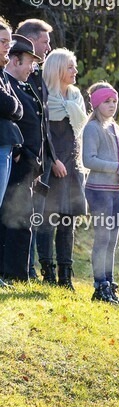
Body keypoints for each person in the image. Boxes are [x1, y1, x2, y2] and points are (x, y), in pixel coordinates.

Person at [81, 82, 119, 306]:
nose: (112, 105)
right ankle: (100, 286)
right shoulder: (92, 128)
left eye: (114, 101)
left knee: (112, 240)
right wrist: (118, 168)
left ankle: (109, 283)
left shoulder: (115, 128)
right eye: (107, 101)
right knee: (103, 238)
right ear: (97, 103)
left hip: (116, 191)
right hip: (98, 191)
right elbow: (88, 160)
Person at [0, 35, 51, 283]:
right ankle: (10, 272)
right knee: (12, 219)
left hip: (28, 165)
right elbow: (12, 115)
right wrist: (21, 151)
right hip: (17, 162)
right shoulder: (6, 83)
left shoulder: (20, 87)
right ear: (15, 60)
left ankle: (18, 274)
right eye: (30, 61)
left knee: (22, 219)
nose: (33, 68)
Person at [38, 48, 88, 290]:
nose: (75, 71)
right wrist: (53, 161)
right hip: (51, 166)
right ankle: (47, 272)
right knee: (48, 221)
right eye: (70, 67)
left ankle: (65, 277)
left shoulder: (76, 97)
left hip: (73, 166)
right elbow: (42, 135)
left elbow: (80, 132)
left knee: (68, 221)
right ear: (57, 69)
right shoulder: (44, 96)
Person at [15, 19, 54, 281]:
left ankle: (29, 268)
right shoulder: (18, 74)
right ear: (30, 40)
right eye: (44, 42)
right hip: (22, 153)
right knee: (18, 212)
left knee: (34, 213)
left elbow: (43, 121)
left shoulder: (38, 75)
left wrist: (48, 156)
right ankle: (22, 268)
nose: (49, 47)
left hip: (41, 156)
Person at [0, 20, 24, 289]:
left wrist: (12, 107)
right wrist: (12, 107)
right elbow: (9, 105)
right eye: (3, 41)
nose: (8, 47)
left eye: (9, 42)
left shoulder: (2, 75)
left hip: (6, 147)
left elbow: (16, 108)